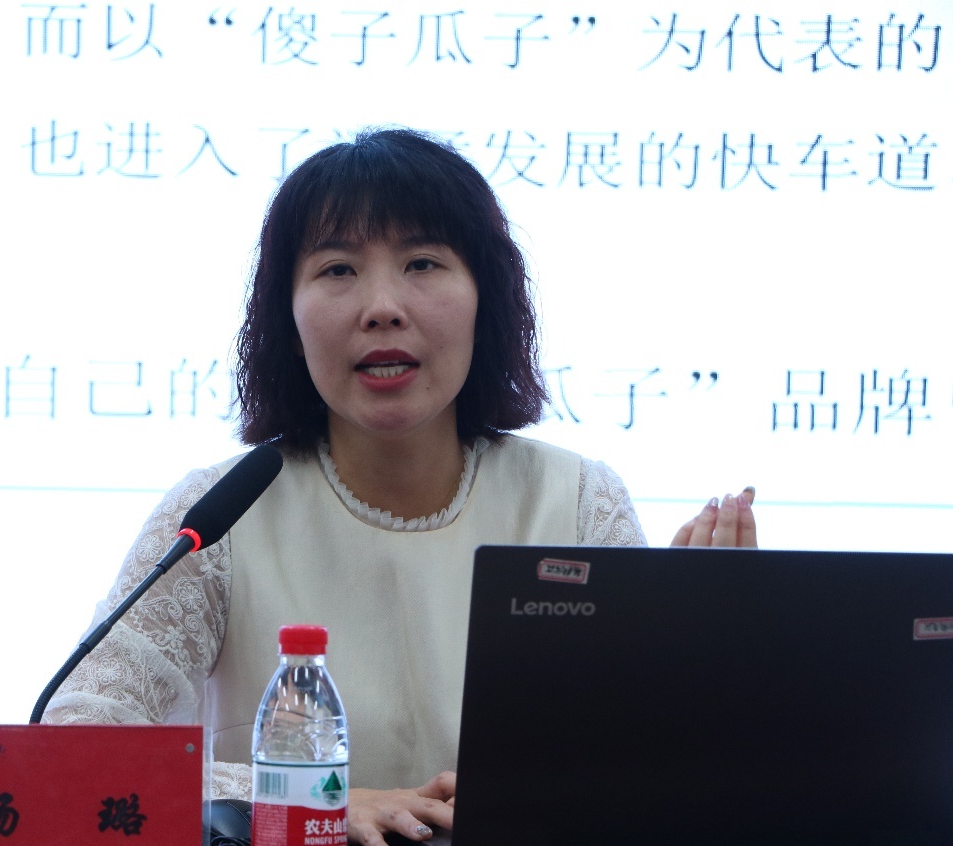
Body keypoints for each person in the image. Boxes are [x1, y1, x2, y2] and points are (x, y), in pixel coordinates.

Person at [43, 128, 757, 845]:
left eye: (422, 263)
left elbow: (639, 778)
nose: (381, 306)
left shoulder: (575, 500)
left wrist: (704, 662)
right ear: (286, 317)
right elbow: (74, 747)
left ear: (485, 300)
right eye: (337, 269)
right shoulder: (220, 515)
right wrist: (316, 802)